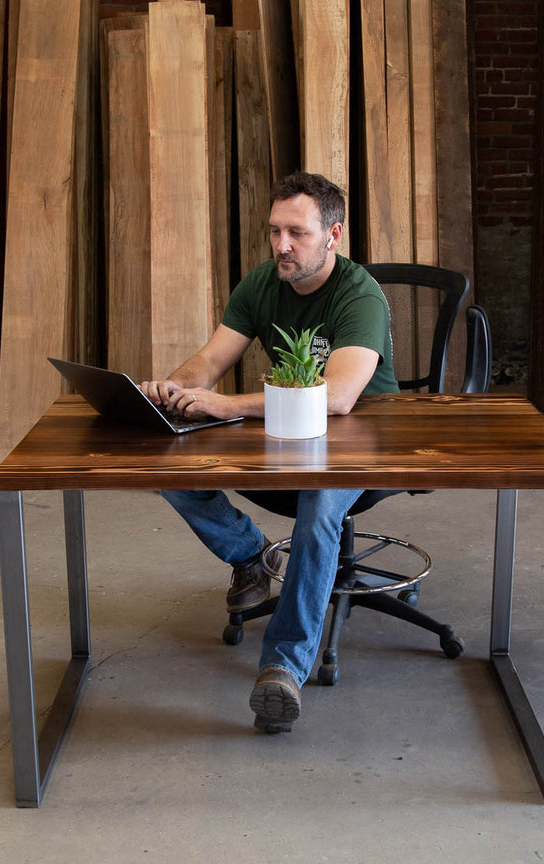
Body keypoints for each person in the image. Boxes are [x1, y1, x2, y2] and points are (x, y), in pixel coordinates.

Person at [140, 171, 397, 734]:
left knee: (320, 507)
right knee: (166, 462)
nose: (282, 245)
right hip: (282, 427)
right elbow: (209, 362)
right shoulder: (261, 283)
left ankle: (284, 665)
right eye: (275, 231)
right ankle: (249, 554)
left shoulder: (359, 295)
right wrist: (175, 390)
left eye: (296, 233)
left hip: (361, 440)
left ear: (333, 234)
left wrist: (225, 406)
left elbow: (338, 397)